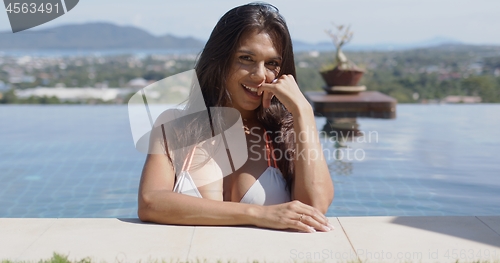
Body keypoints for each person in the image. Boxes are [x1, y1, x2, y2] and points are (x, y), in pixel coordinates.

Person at [138, 2, 334, 233]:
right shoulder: (175, 126)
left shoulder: (284, 132)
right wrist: (259, 214)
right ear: (221, 60)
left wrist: (303, 111)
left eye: (272, 63)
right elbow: (151, 202)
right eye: (246, 58)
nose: (260, 75)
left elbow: (314, 209)